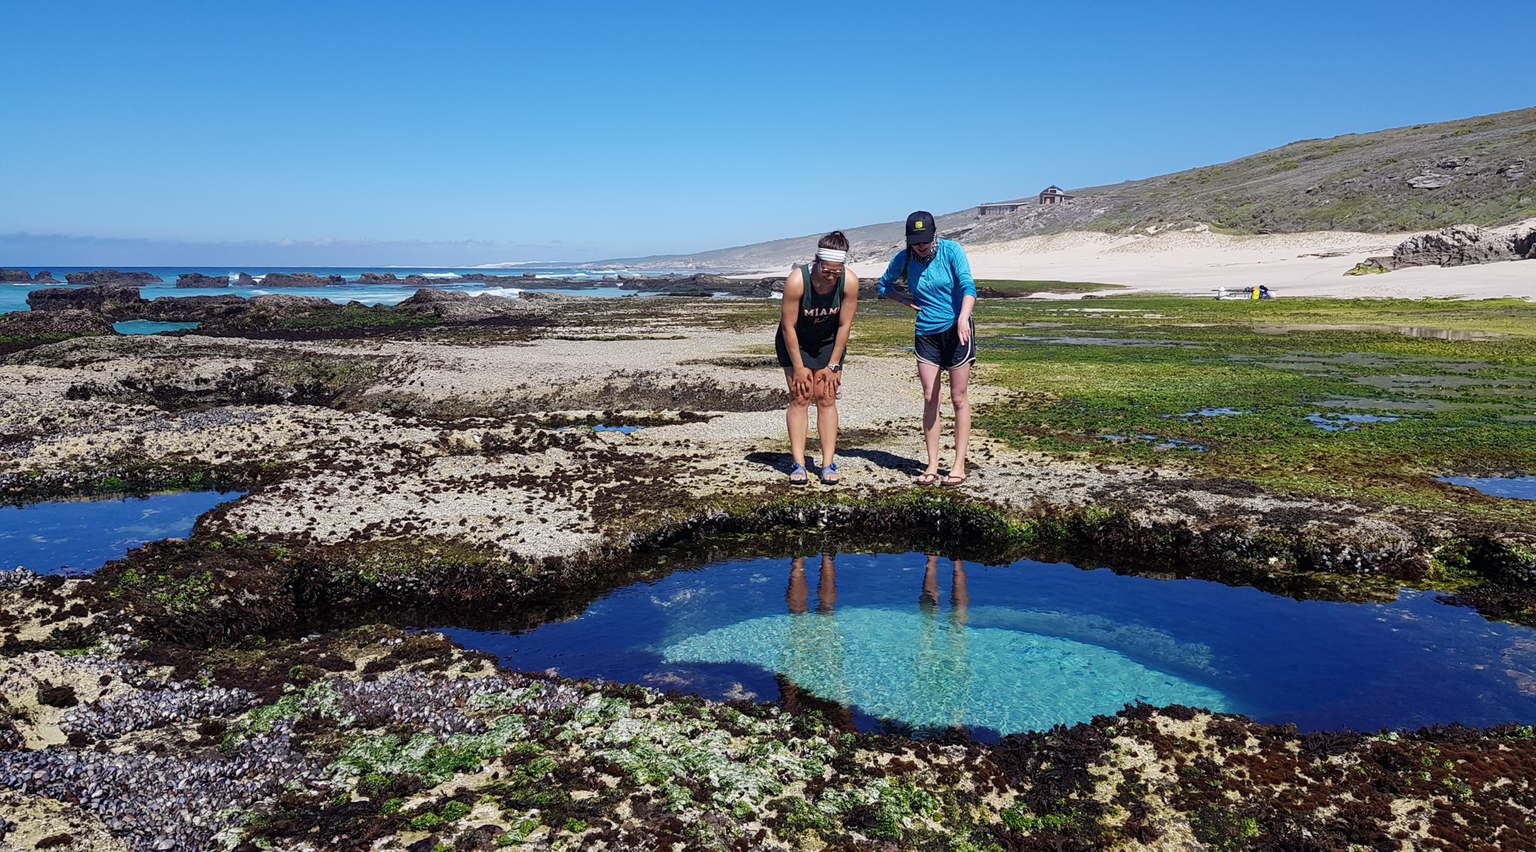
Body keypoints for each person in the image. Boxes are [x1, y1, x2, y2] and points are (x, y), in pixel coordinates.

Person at [878, 211, 977, 486]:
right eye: (915, 241)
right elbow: (884, 286)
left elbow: (968, 287)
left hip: (957, 330)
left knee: (958, 398)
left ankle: (958, 465)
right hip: (926, 333)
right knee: (930, 396)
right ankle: (932, 465)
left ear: (934, 235)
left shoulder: (951, 250)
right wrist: (904, 301)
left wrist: (963, 318)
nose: (920, 246)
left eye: (924, 240)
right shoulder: (904, 258)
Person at [777, 231, 860, 484]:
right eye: (826, 270)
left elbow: (844, 325)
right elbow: (788, 327)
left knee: (826, 397)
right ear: (817, 259)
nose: (831, 276)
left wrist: (833, 364)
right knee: (800, 396)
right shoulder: (797, 280)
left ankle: (828, 464)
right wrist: (799, 367)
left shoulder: (849, 282)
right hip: (795, 341)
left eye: (837, 271)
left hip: (828, 342)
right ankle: (798, 464)